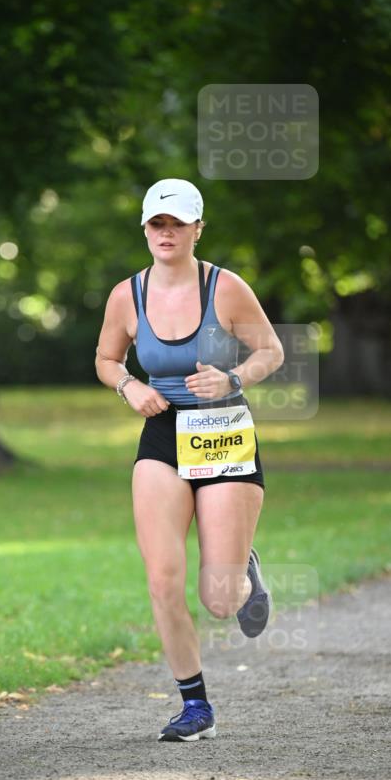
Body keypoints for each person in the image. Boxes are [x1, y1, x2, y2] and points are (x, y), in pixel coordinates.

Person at [95, 179, 284, 741]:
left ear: (198, 228)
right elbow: (107, 358)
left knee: (220, 601)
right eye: (157, 223)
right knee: (162, 578)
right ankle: (195, 707)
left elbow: (270, 350)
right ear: (146, 229)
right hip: (161, 436)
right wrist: (129, 387)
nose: (166, 233)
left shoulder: (225, 288)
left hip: (223, 432)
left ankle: (244, 570)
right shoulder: (126, 294)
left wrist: (232, 376)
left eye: (178, 223)